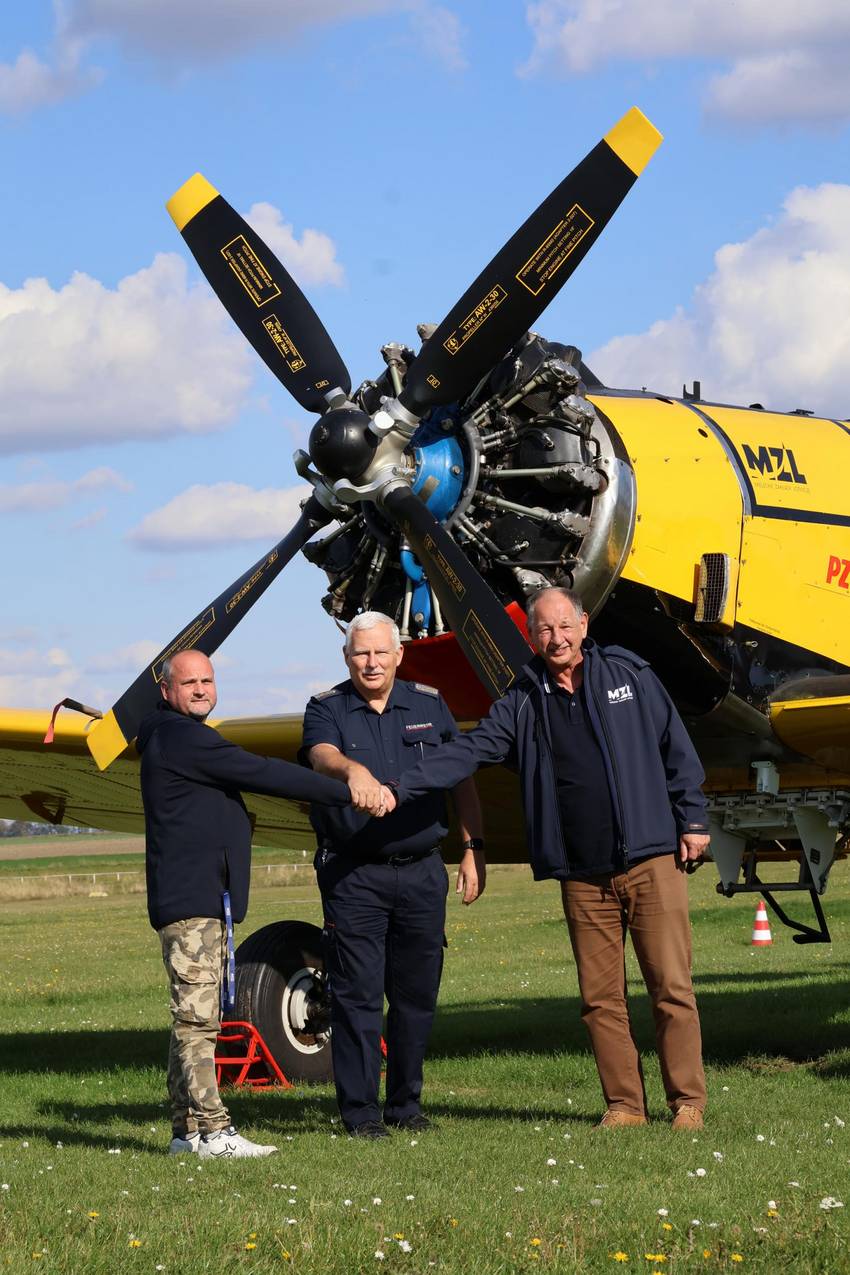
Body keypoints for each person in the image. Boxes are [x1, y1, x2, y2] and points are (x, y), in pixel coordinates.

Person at [386, 587, 710, 1130]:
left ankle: (688, 1103)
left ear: (583, 624)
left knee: (671, 988)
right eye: (543, 630)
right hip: (582, 874)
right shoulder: (522, 699)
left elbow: (675, 747)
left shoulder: (629, 675)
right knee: (599, 998)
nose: (556, 639)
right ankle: (626, 1106)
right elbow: (471, 750)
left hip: (651, 859)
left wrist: (693, 819)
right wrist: (402, 785)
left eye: (564, 626)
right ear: (531, 637)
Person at [138, 648, 354, 1159]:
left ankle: (185, 1133)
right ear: (166, 690)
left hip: (197, 900)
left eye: (207, 681)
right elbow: (259, 771)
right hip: (191, 904)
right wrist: (343, 789)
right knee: (198, 1021)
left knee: (192, 1018)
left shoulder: (173, 738)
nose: (200, 690)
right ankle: (215, 1131)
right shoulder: (181, 736)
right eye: (188, 682)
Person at [301, 611, 485, 1139]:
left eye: (381, 652)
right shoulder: (327, 709)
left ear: (399, 654)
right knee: (357, 997)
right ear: (346, 657)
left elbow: (461, 779)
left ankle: (406, 1106)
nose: (372, 662)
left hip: (422, 872)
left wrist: (473, 849)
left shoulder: (429, 704)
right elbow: (320, 755)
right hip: (354, 875)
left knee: (416, 997)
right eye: (361, 653)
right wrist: (352, 771)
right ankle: (360, 1114)